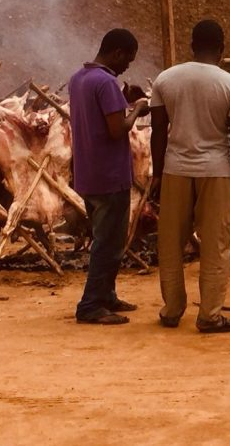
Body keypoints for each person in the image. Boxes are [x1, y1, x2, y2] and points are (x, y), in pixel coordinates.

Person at [150, 20, 230, 333]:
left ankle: (171, 310)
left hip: (175, 169)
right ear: (221, 49)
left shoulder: (166, 80)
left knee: (170, 243)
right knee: (217, 245)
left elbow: (157, 134)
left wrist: (156, 176)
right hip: (217, 172)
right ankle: (209, 315)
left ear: (191, 45)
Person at [69, 29, 148, 325]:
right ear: (117, 53)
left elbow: (98, 116)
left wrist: (123, 100)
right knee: (109, 243)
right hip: (109, 175)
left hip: (88, 173)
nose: (128, 64)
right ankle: (90, 305)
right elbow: (117, 129)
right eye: (128, 58)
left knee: (105, 239)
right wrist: (137, 108)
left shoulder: (79, 79)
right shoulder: (106, 82)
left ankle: (107, 295)